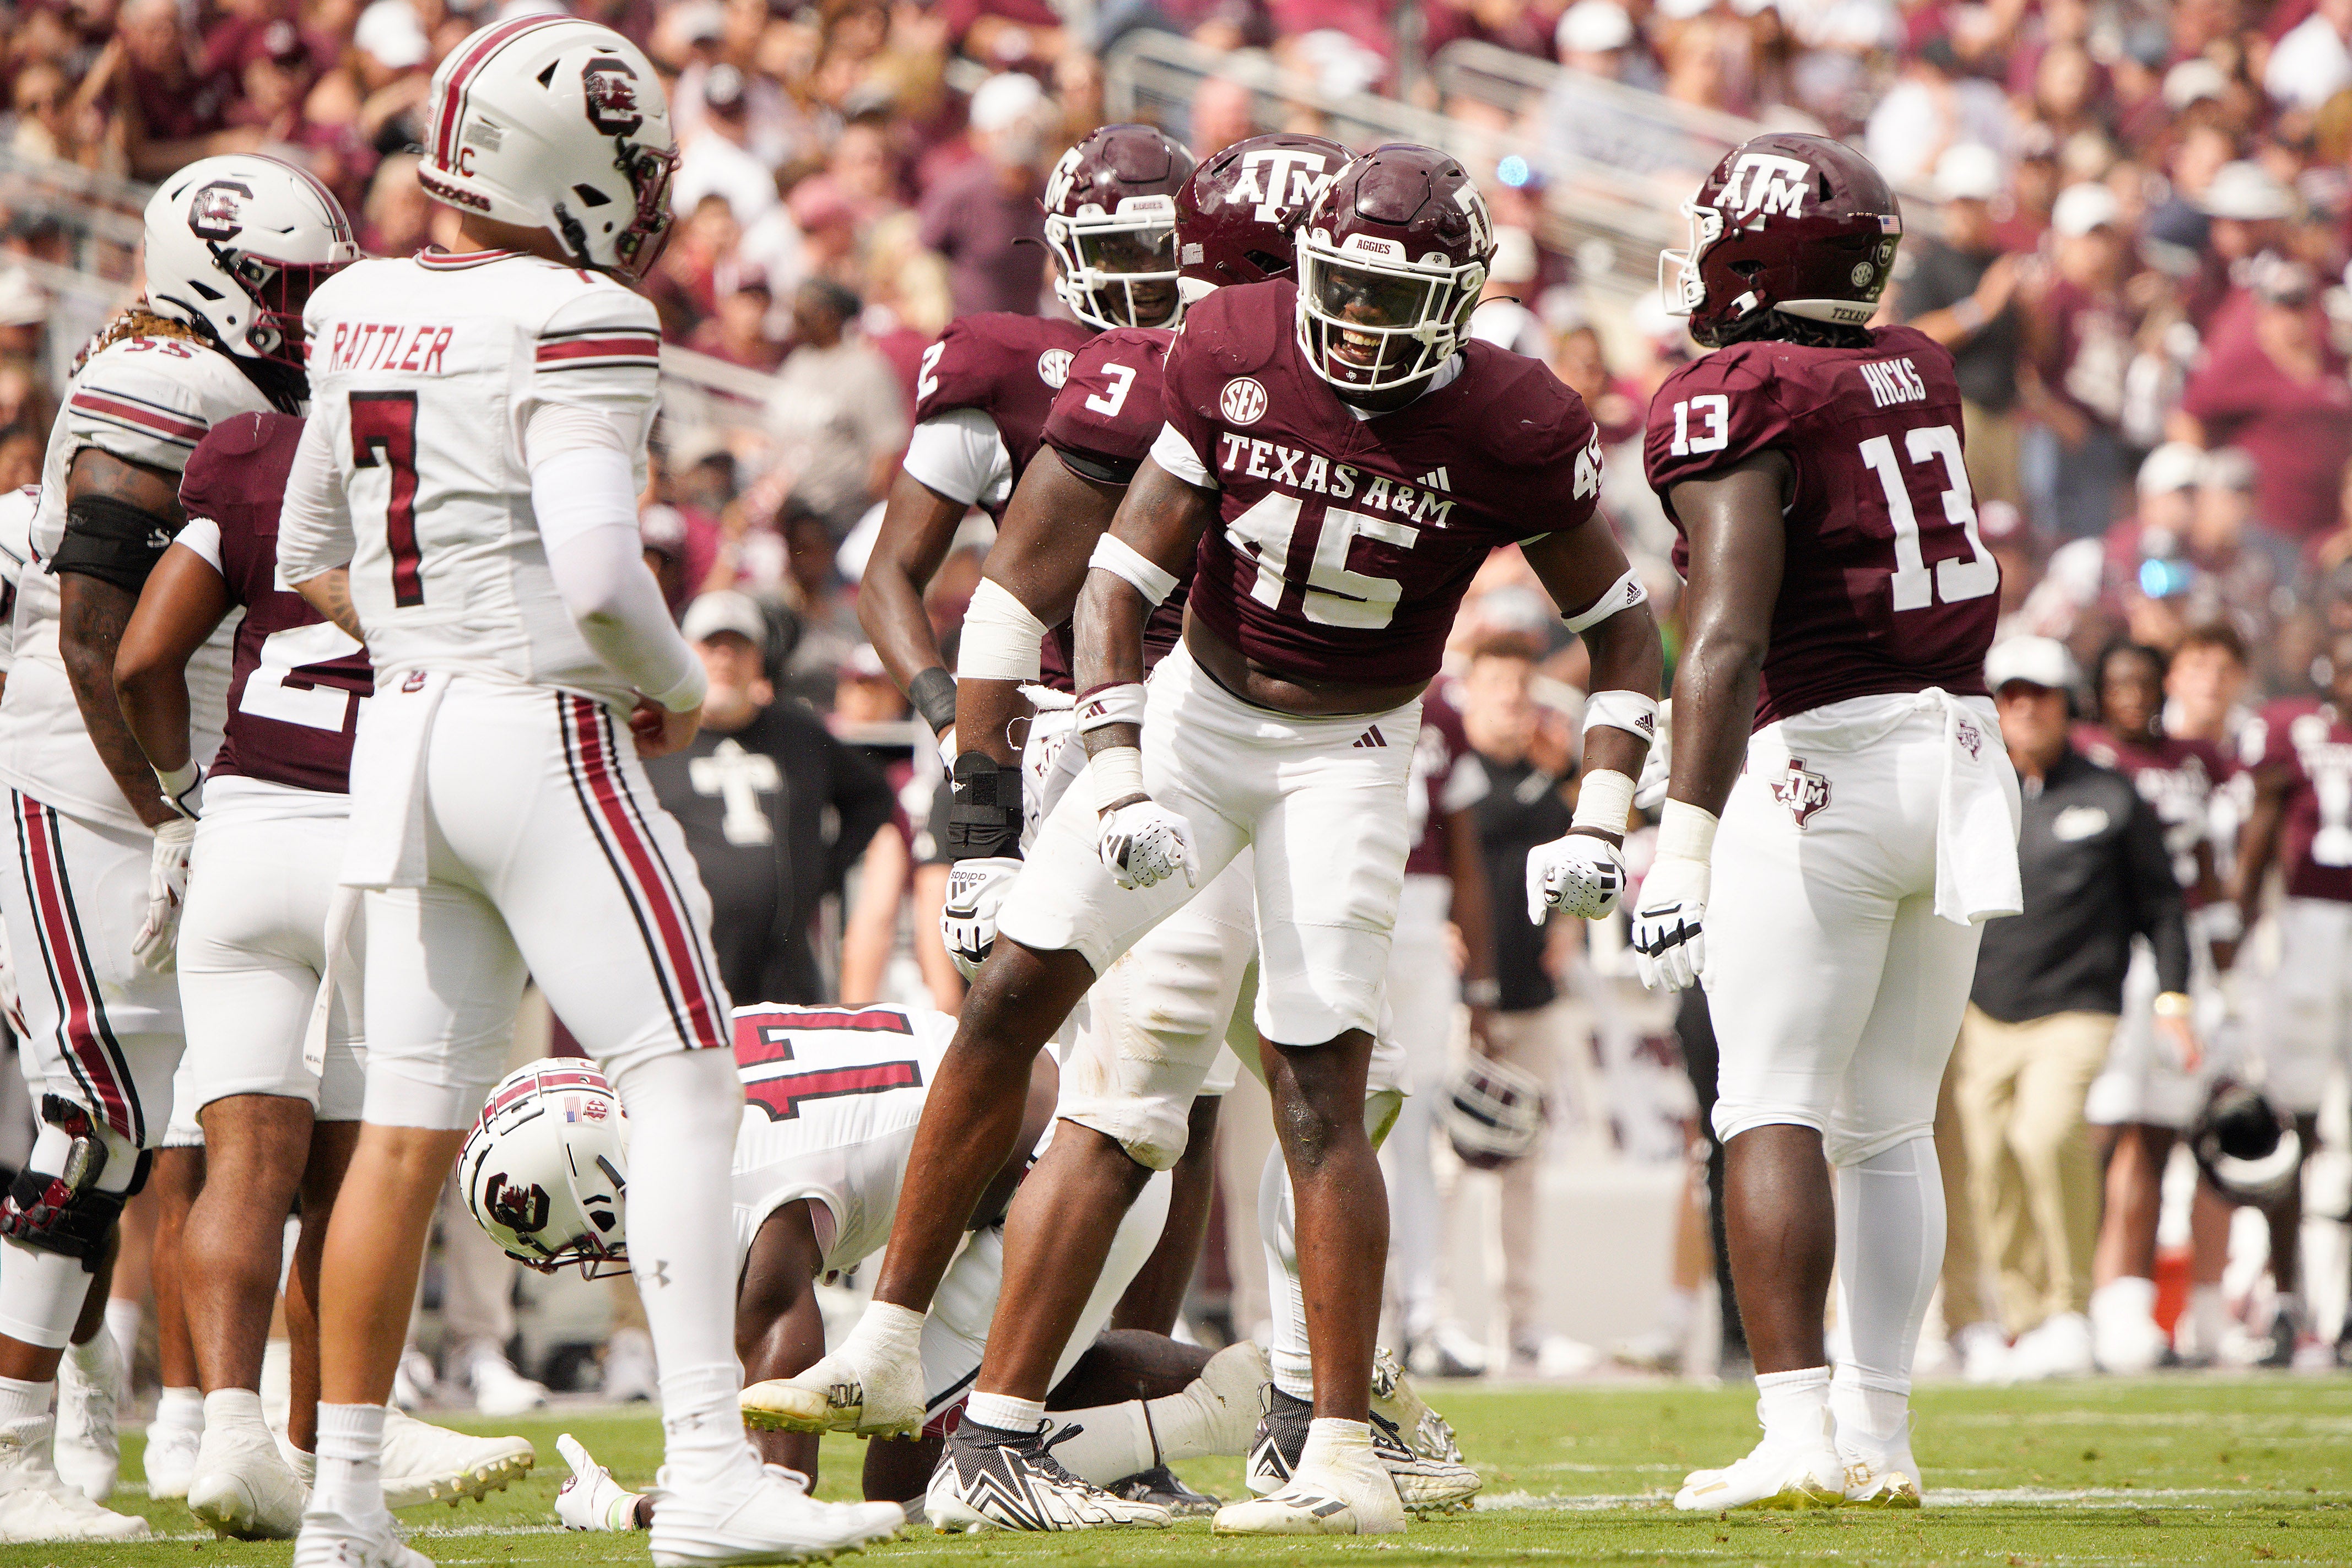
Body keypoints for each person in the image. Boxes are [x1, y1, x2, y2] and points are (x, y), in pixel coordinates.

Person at [782, 144, 1659, 1538]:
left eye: (1391, 297)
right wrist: (1110, 774)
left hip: (1353, 752)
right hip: (1189, 717)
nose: (1359, 326)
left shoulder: (1511, 417)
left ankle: (1335, 1441)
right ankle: (925, 1369)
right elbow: (1113, 578)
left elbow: (1621, 630)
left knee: (1317, 1091)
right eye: (1344, 290)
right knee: (1024, 996)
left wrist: (1605, 809)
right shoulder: (1228, 341)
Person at [272, 20, 905, 1567]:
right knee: (686, 1080)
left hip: (405, 740)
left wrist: (427, 646)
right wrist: (678, 690)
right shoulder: (579, 313)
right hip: (538, 730)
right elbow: (606, 579)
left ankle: (340, 1509)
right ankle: (705, 1473)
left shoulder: (354, 303)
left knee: (400, 1129)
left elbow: (307, 554)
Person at [904, 132, 1474, 1523]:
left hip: (1227, 747)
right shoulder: (1156, 364)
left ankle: (1265, 1396)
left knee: (1285, 1093)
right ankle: (984, 1408)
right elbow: (1003, 601)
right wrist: (975, 800)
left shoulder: (1305, 374)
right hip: (1137, 747)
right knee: (1132, 1099)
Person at [1638, 134, 2022, 1511]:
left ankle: (1795, 1430)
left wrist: (1678, 834)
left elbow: (1723, 632)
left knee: (1768, 1102)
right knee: (1889, 1123)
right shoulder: (1910, 359)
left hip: (1824, 758)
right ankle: (1879, 1436)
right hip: (1961, 754)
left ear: (1754, 252)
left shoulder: (1734, 391)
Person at [0, 155, 355, 1544]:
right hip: (86, 779)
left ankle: (81, 1412)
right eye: (282, 287)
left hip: (158, 771)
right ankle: (16, 1453)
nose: (298, 312)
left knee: (132, 1133)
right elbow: (95, 636)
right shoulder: (166, 378)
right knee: (91, 1119)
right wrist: (164, 807)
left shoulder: (227, 376)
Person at [113, 410, 534, 1538]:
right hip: (376, 838)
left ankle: (228, 1428)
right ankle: (331, 1440)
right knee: (356, 1183)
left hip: (245, 831)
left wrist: (181, 800)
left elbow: (144, 658)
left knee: (241, 1167)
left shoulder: (258, 457)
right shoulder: (470, 462)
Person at [455, 1005, 1361, 1520]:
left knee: (921, 1480)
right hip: (1062, 1155)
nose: (593, 1258)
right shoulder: (684, 1067)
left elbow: (782, 1490)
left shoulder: (719, 1180)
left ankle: (1243, 1409)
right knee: (1001, 1393)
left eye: (576, 1237)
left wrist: (640, 1508)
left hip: (1066, 1180)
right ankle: (1298, 1389)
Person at [858, 121, 1193, 755]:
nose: (1145, 275)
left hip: (1214, 714)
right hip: (1062, 720)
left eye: (1160, 249)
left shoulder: (1230, 364)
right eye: (1119, 252)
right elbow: (891, 573)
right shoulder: (1007, 363)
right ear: (1064, 253)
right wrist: (950, 718)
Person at [1956, 637, 2192, 1382]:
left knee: (2047, 1131)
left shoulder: (2112, 794)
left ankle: (2070, 1305)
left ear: (2068, 704)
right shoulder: (1966, 795)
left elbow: (2163, 907)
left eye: (2041, 694)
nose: (2024, 708)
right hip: (1980, 1011)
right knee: (1987, 1160)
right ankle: (2024, 1321)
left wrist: (2172, 998)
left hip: (2078, 1005)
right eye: (2010, 694)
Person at [2072, 640, 2230, 1374]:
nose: (2133, 695)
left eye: (2144, 681)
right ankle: (2088, 1298)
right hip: (2107, 945)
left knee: (2163, 1128)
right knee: (2104, 1128)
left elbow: (2206, 862)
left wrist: (2224, 945)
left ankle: (2129, 1303)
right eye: (2119, 682)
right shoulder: (2084, 754)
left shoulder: (2192, 759)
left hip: (2180, 945)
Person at [645, 591, 896, 1007]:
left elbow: (872, 798)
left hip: (784, 971)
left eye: (739, 646)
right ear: (684, 653)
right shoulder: (654, 740)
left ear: (760, 658)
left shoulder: (796, 733)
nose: (725, 659)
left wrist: (823, 872)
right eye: (712, 646)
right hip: (680, 972)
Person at [2223, 624, 2352, 1369]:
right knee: (2290, 1119)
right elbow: (2263, 825)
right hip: (2304, 930)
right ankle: (2285, 1297)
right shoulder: (2291, 730)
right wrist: (2234, 931)